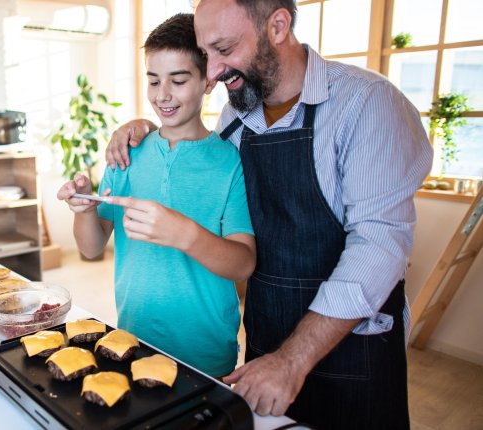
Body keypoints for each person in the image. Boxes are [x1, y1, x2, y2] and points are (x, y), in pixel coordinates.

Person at [104, 0, 433, 428]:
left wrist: (294, 359)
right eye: (207, 55)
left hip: (352, 353)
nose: (216, 71)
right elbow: (192, 149)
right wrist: (141, 129)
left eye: (224, 49)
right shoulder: (234, 117)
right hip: (266, 343)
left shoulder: (367, 104)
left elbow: (379, 249)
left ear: (278, 25)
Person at [57, 13, 256, 378]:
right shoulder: (126, 153)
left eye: (178, 81)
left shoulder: (229, 161)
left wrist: (184, 233)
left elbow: (243, 263)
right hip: (134, 340)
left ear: (208, 81)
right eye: (153, 81)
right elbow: (91, 247)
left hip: (207, 351)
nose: (162, 95)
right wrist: (84, 210)